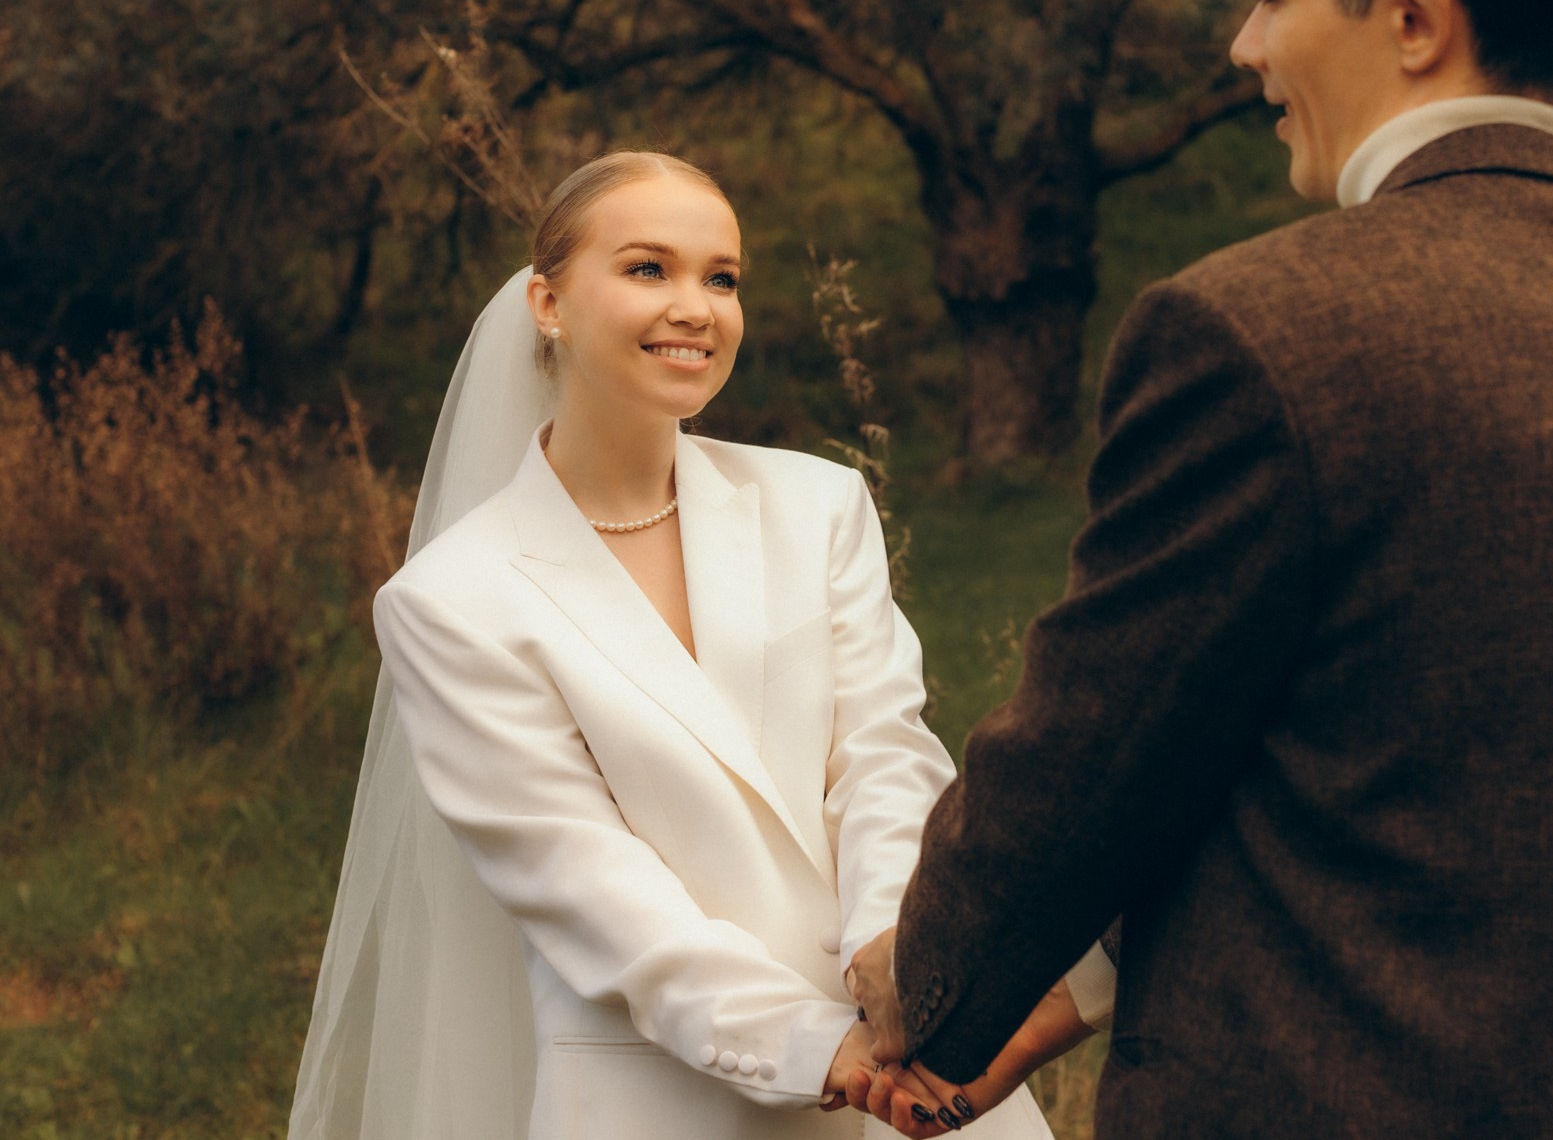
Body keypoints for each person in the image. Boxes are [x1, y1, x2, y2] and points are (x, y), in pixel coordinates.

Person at [846, 0, 1553, 1136]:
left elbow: (1087, 763)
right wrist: (1073, 984)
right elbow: (1421, 772)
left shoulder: (1258, 335)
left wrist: (928, 979)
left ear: (1412, 17)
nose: (1246, 46)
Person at [289, 152, 1088, 1138]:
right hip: (669, 1091)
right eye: (645, 269)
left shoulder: (817, 503)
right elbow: (585, 886)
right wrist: (813, 1045)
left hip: (908, 1056)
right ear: (547, 301)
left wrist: (894, 951)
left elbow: (881, 749)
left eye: (721, 277)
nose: (695, 306)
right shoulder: (450, 602)